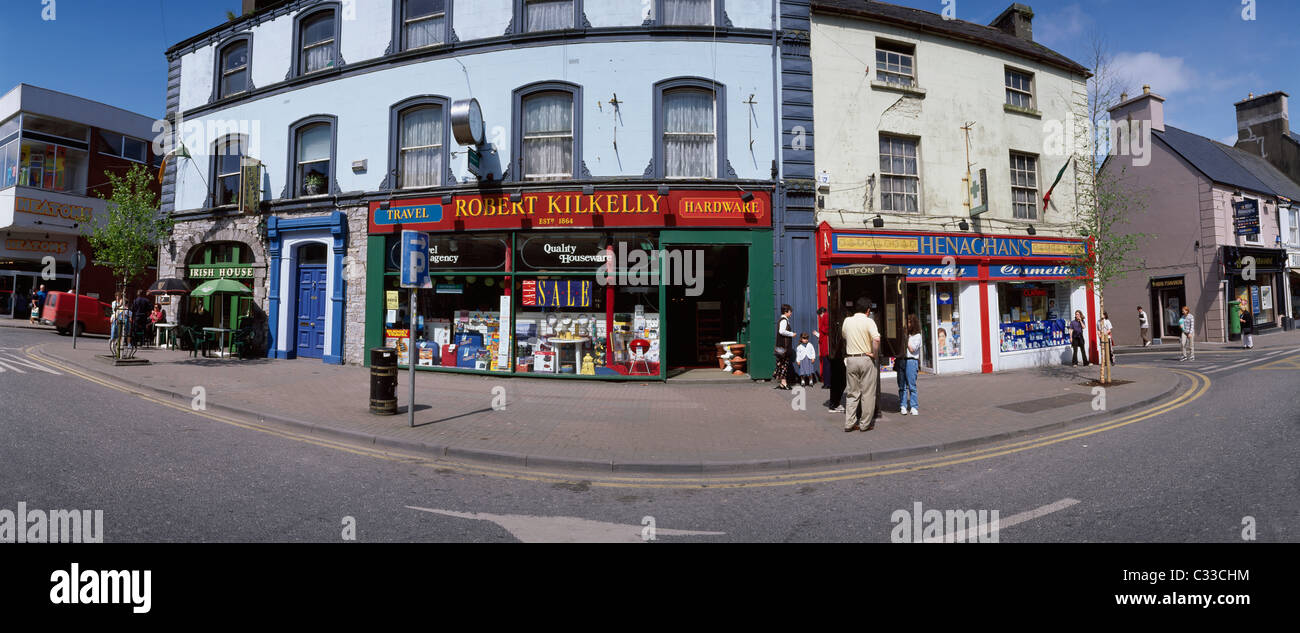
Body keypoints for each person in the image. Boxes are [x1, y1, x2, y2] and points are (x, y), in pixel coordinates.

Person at [841, 297, 881, 432]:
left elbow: (845, 336)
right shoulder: (869, 321)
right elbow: (876, 339)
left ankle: (849, 423)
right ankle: (864, 424)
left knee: (852, 393)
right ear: (868, 310)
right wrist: (874, 354)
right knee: (868, 393)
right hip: (865, 358)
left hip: (851, 359)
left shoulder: (847, 321)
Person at [897, 314, 921, 416]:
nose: (908, 324)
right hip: (902, 360)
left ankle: (914, 406)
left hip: (911, 361)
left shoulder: (917, 336)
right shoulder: (905, 335)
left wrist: (905, 338)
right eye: (907, 322)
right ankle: (903, 405)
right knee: (901, 385)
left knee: (912, 386)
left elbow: (912, 349)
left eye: (910, 322)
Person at [773, 304, 794, 390]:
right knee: (784, 364)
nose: (791, 313)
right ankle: (784, 383)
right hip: (783, 348)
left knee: (781, 364)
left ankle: (782, 383)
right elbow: (781, 331)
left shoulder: (783, 320)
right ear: (786, 312)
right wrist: (792, 334)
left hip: (781, 347)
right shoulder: (784, 320)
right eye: (790, 311)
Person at [816, 307, 830, 388]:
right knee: (827, 365)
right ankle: (827, 383)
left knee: (826, 365)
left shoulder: (825, 316)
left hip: (825, 346)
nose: (820, 317)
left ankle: (827, 383)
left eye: (819, 315)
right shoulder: (827, 316)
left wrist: (820, 331)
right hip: (825, 345)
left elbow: (826, 329)